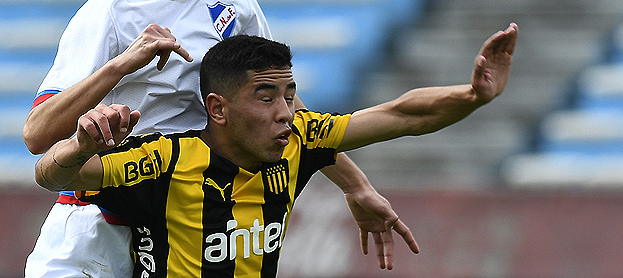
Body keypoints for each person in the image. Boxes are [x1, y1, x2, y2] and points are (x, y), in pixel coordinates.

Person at [22, 0, 417, 278]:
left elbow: (282, 105)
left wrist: (356, 186)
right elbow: (38, 134)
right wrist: (121, 65)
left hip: (183, 228)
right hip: (96, 229)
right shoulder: (108, 13)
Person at [35, 24, 518, 277]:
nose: (285, 112)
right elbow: (51, 175)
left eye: (289, 94)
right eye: (266, 97)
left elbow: (401, 115)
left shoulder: (298, 142)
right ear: (218, 109)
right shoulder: (164, 160)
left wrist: (472, 96)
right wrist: (81, 144)